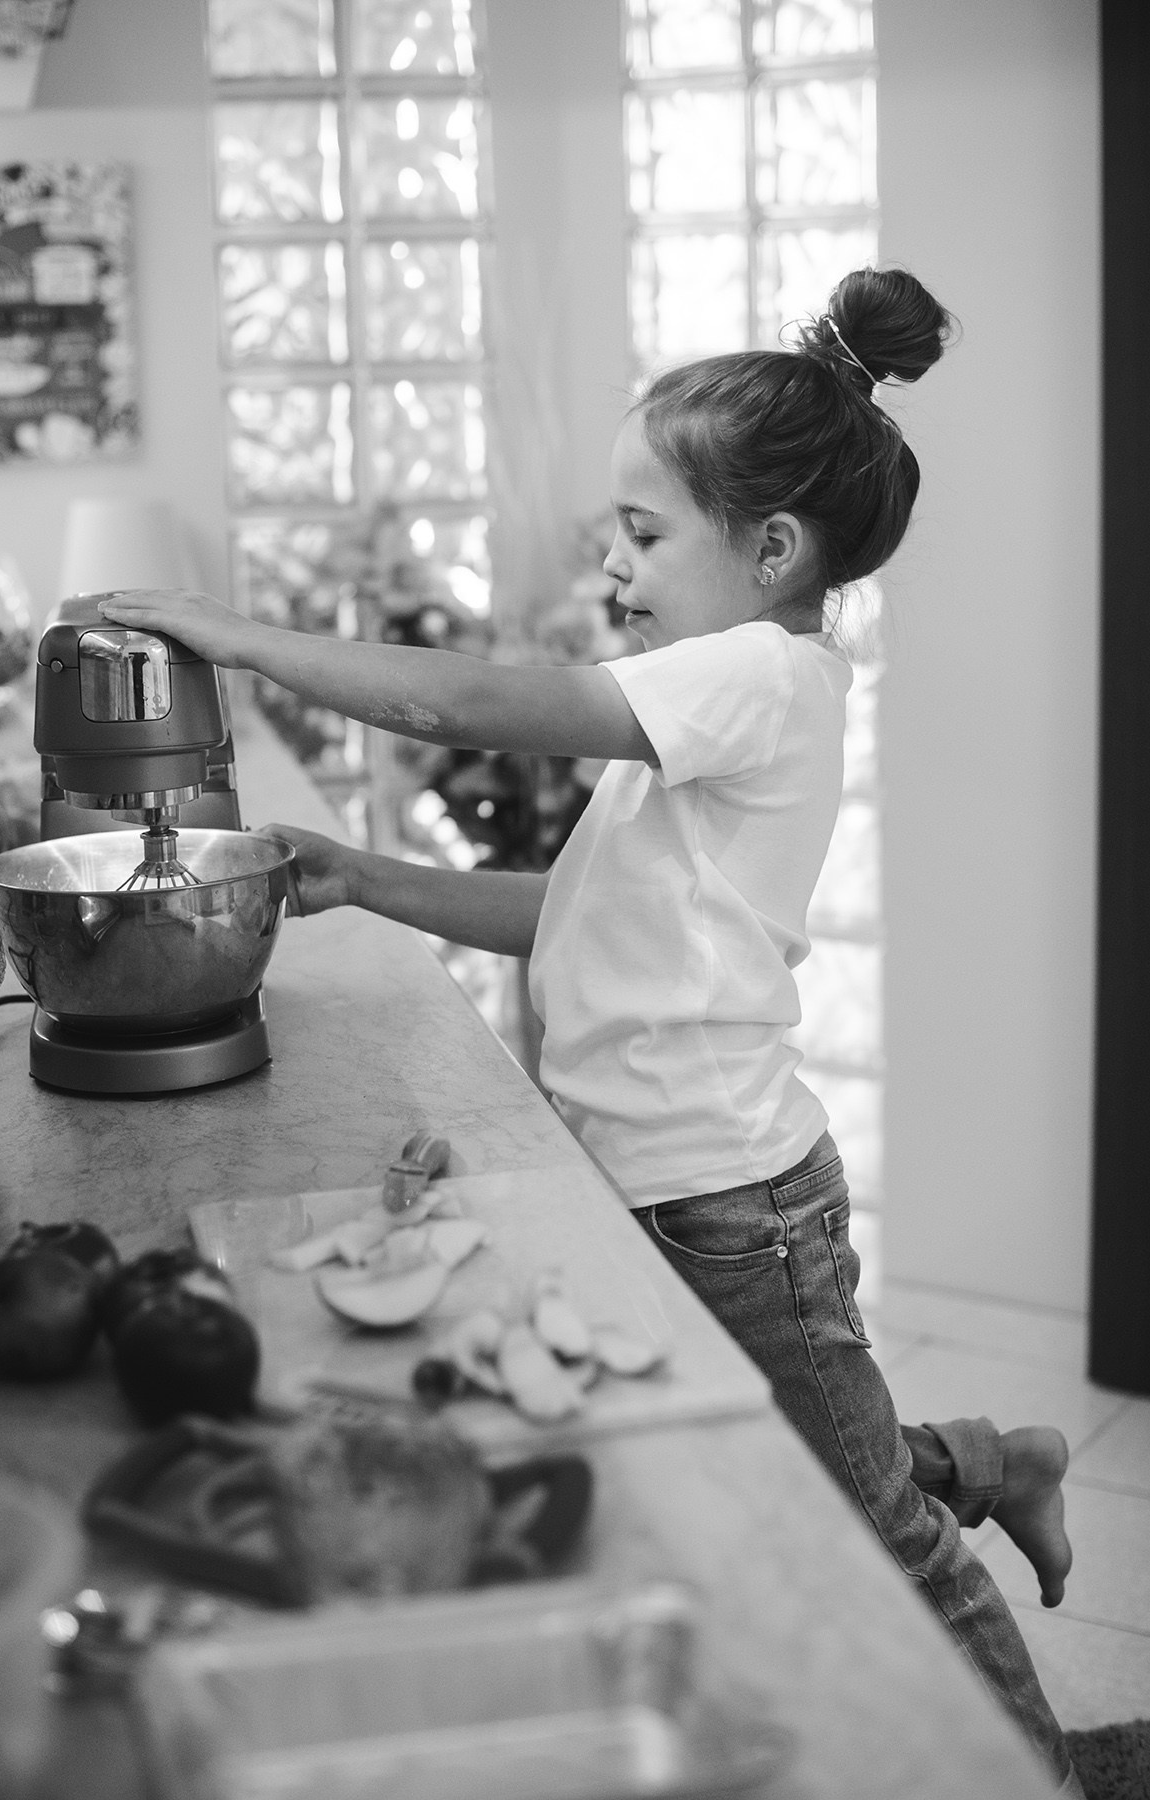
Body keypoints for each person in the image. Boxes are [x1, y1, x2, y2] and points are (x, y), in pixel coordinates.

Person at [98, 265, 1080, 1792]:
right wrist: (372, 877)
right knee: (758, 1457)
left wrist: (233, 639)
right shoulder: (692, 701)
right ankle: (998, 1457)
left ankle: (1036, 1762)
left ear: (767, 552)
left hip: (738, 1205)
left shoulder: (760, 679)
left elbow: (455, 709)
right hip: (653, 1177)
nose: (612, 569)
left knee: (872, 1531)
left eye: (641, 536)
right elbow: (578, 911)